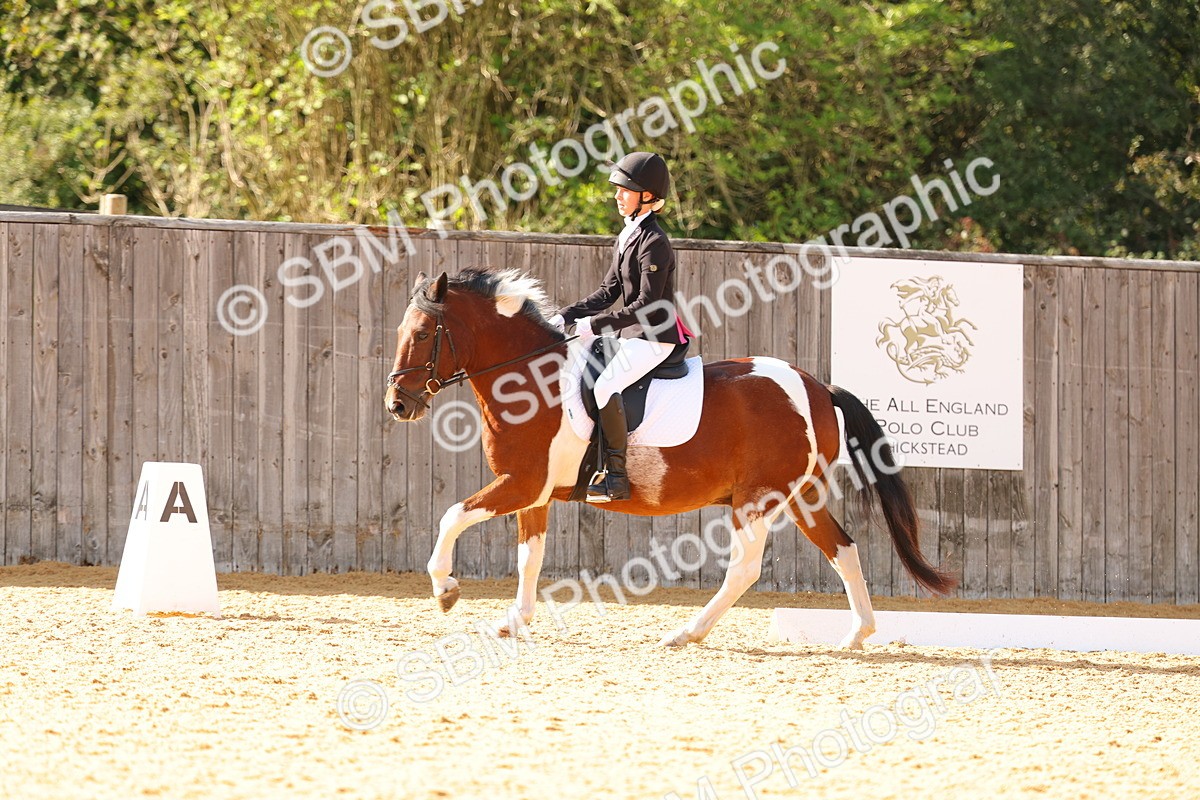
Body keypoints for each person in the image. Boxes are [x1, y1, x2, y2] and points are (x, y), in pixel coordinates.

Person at [548, 152, 691, 503]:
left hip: (656, 336)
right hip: (631, 335)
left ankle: (615, 475)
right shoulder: (628, 236)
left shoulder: (655, 243)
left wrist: (594, 326)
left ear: (648, 197)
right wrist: (566, 316)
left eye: (625, 189)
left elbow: (646, 305)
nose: (617, 195)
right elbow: (608, 292)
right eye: (617, 188)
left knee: (605, 385)